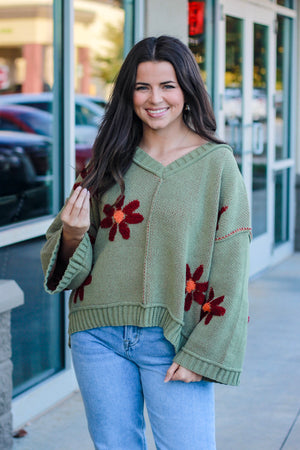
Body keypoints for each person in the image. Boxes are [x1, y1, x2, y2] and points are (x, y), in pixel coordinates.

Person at [41, 35, 251, 450]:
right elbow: (70, 266)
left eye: (167, 86)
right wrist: (71, 233)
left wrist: (203, 354)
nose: (155, 98)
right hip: (97, 335)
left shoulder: (217, 164)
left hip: (173, 339)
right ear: (129, 94)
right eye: (142, 87)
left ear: (187, 92)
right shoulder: (107, 159)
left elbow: (232, 267)